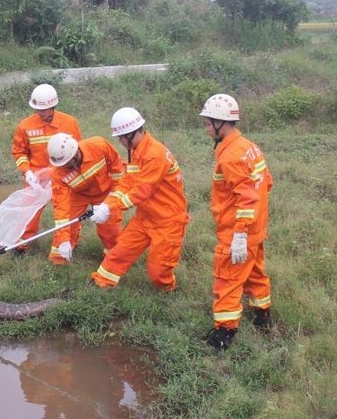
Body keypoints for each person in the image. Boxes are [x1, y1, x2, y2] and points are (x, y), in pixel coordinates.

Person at [200, 93, 274, 351]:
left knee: (228, 279)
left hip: (238, 231)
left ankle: (225, 332)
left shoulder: (231, 156)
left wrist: (239, 235)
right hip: (257, 228)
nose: (206, 128)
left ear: (221, 123)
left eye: (208, 123)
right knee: (255, 272)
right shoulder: (250, 147)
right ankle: (262, 314)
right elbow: (267, 183)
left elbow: (245, 197)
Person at [90, 107, 189, 292]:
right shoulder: (137, 151)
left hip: (168, 222)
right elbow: (127, 182)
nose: (119, 142)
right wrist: (107, 204)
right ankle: (100, 282)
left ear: (132, 133)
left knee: (158, 272)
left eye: (121, 137)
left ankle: (168, 290)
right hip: (145, 217)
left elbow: (141, 191)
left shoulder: (154, 155)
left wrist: (113, 207)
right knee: (119, 252)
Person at [11, 84, 82, 252]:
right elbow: (19, 152)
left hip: (63, 177)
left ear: (53, 107)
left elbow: (77, 150)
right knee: (28, 213)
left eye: (43, 110)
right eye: (36, 109)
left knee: (67, 211)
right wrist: (26, 171)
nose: (39, 113)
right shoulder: (25, 126)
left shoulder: (69, 123)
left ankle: (70, 242)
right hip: (36, 178)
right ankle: (23, 244)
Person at [46, 133, 124, 265]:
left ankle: (113, 256)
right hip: (78, 195)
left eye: (66, 163)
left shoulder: (98, 145)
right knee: (66, 226)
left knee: (110, 229)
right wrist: (64, 240)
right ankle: (59, 258)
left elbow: (117, 168)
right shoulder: (58, 173)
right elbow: (61, 208)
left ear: (75, 153)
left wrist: (115, 195)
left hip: (105, 192)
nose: (63, 167)